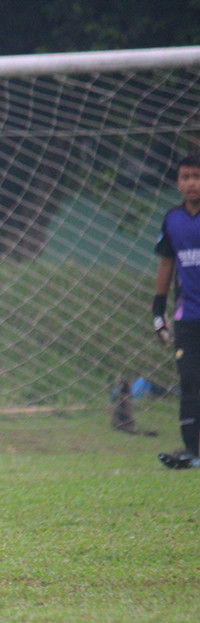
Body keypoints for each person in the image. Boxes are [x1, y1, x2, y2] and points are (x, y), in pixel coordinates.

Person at [153, 152, 200, 470]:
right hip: (188, 318)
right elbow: (166, 264)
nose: (191, 183)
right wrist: (158, 310)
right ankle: (192, 450)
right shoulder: (172, 219)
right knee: (189, 380)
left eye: (196, 176)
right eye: (185, 177)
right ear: (178, 182)